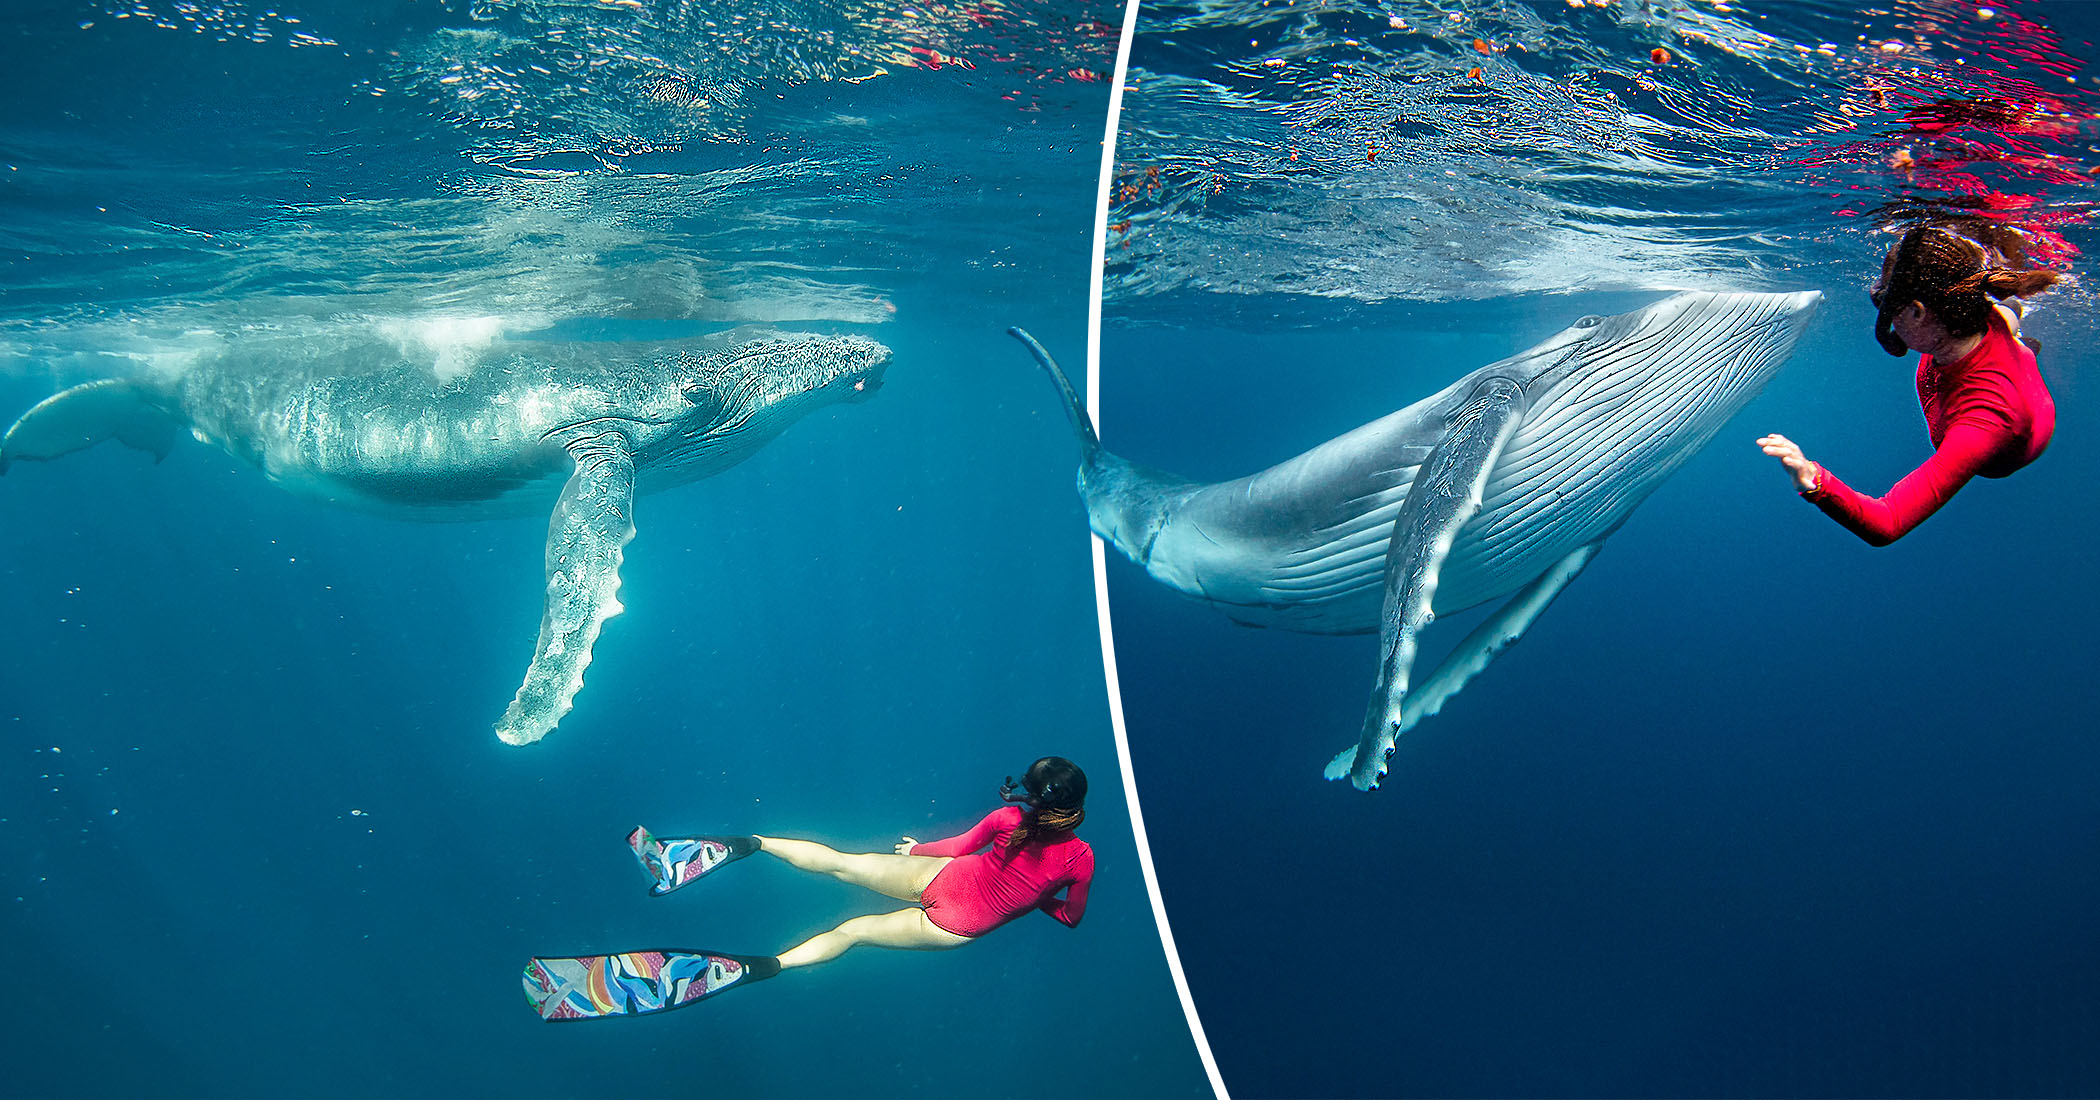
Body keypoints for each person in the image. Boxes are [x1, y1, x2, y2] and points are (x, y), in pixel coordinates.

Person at [524, 757, 1095, 1020]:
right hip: (956, 923)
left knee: (841, 865)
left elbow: (953, 845)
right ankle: (763, 967)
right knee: (848, 934)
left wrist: (911, 853)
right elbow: (1071, 920)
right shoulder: (1081, 859)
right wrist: (1036, 898)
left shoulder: (1006, 821)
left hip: (941, 874)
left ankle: (748, 844)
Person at [1757, 223, 2063, 545]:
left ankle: (2022, 347)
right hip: (1999, 359)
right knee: (2007, 319)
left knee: (2011, 330)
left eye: (1885, 302)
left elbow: (1887, 522)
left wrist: (1812, 479)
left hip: (2013, 444)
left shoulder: (1982, 422)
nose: (1885, 315)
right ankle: (2021, 344)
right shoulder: (1974, 313)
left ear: (1917, 311)